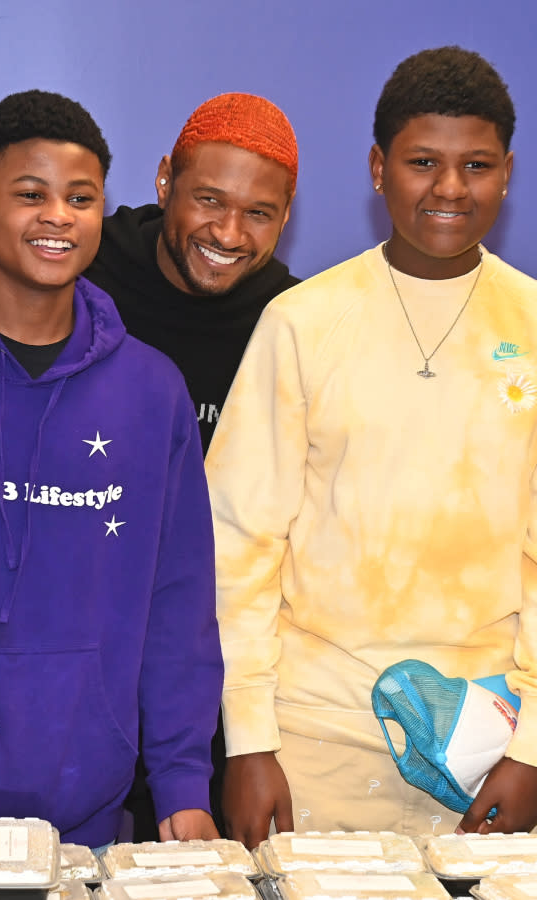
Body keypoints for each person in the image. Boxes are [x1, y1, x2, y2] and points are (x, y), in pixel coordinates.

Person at [0, 91, 300, 840]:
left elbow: (179, 605)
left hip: (80, 819)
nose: (57, 215)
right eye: (30, 194)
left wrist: (182, 785)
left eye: (80, 198)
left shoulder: (152, 390)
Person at [205, 45, 537, 848]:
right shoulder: (303, 321)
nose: (450, 188)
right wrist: (249, 739)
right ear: (378, 168)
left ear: (507, 172)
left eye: (477, 165)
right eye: (424, 162)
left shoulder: (530, 323)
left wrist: (531, 748)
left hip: (492, 744)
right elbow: (238, 544)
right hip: (311, 737)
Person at [0, 91, 300, 456]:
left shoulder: (299, 323)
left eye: (258, 213)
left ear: (285, 217)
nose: (228, 235)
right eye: (209, 200)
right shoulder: (75, 262)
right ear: (165, 181)